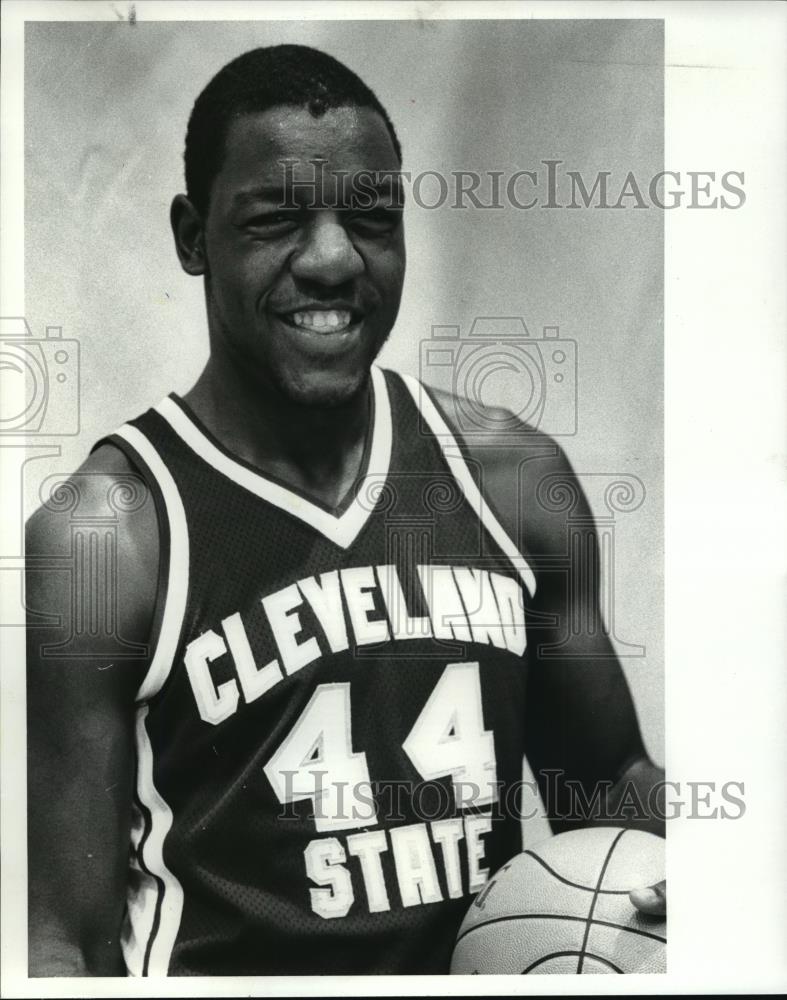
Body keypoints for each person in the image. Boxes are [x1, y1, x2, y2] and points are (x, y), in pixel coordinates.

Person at [26, 44, 665, 977]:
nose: (331, 259)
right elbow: (65, 940)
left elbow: (606, 786)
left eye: (370, 219)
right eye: (276, 217)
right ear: (193, 236)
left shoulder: (512, 480)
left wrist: (689, 882)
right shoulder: (111, 533)